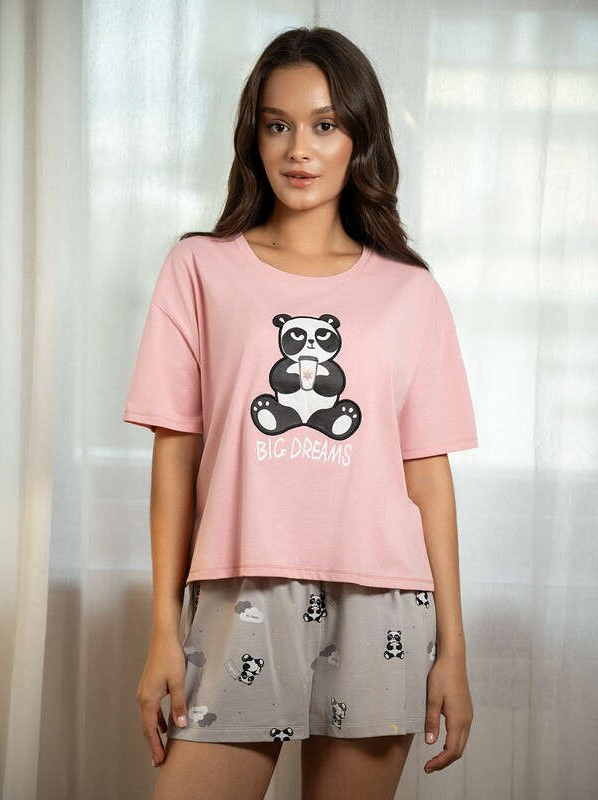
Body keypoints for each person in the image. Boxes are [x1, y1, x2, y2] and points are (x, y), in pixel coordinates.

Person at [123, 25, 478, 800]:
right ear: (254, 138)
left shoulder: (410, 291)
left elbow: (428, 475)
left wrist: (454, 649)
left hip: (382, 598)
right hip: (239, 587)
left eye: (325, 125)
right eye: (278, 125)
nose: (299, 150)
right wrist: (162, 632)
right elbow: (175, 454)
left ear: (359, 138)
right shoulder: (199, 268)